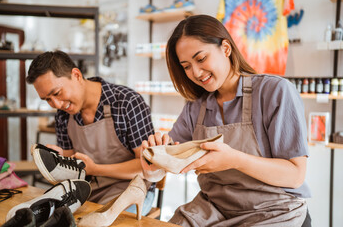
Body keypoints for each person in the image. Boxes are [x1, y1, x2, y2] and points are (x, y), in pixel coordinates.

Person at [141, 15, 311, 226]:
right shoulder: (196, 107)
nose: (195, 72)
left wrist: (235, 159)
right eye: (186, 66)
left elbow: (295, 175)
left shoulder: (275, 92)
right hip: (214, 209)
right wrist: (154, 165)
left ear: (226, 48)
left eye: (201, 59)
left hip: (273, 212)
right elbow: (171, 157)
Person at [26, 50, 155, 216]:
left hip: (132, 190)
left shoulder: (127, 103)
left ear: (77, 75)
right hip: (88, 190)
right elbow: (74, 154)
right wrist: (61, 156)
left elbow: (147, 167)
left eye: (57, 93)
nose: (56, 104)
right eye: (47, 99)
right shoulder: (63, 115)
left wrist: (95, 169)